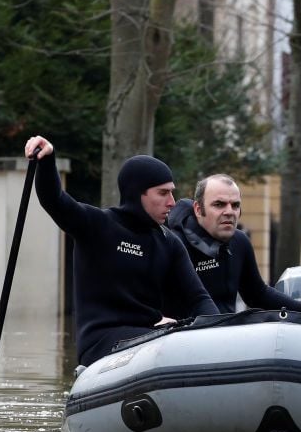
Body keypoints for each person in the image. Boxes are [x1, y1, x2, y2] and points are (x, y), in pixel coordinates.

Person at [23, 135, 218, 367]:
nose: (173, 202)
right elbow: (55, 200)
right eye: (163, 193)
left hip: (151, 336)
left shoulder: (169, 243)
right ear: (138, 193)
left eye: (172, 192)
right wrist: (47, 160)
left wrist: (217, 333)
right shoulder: (97, 225)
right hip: (102, 343)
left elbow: (198, 298)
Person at [165, 173, 301, 318]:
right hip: (181, 343)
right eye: (219, 205)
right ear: (198, 209)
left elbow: (257, 294)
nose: (229, 212)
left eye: (235, 205)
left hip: (223, 338)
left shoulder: (239, 242)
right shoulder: (173, 243)